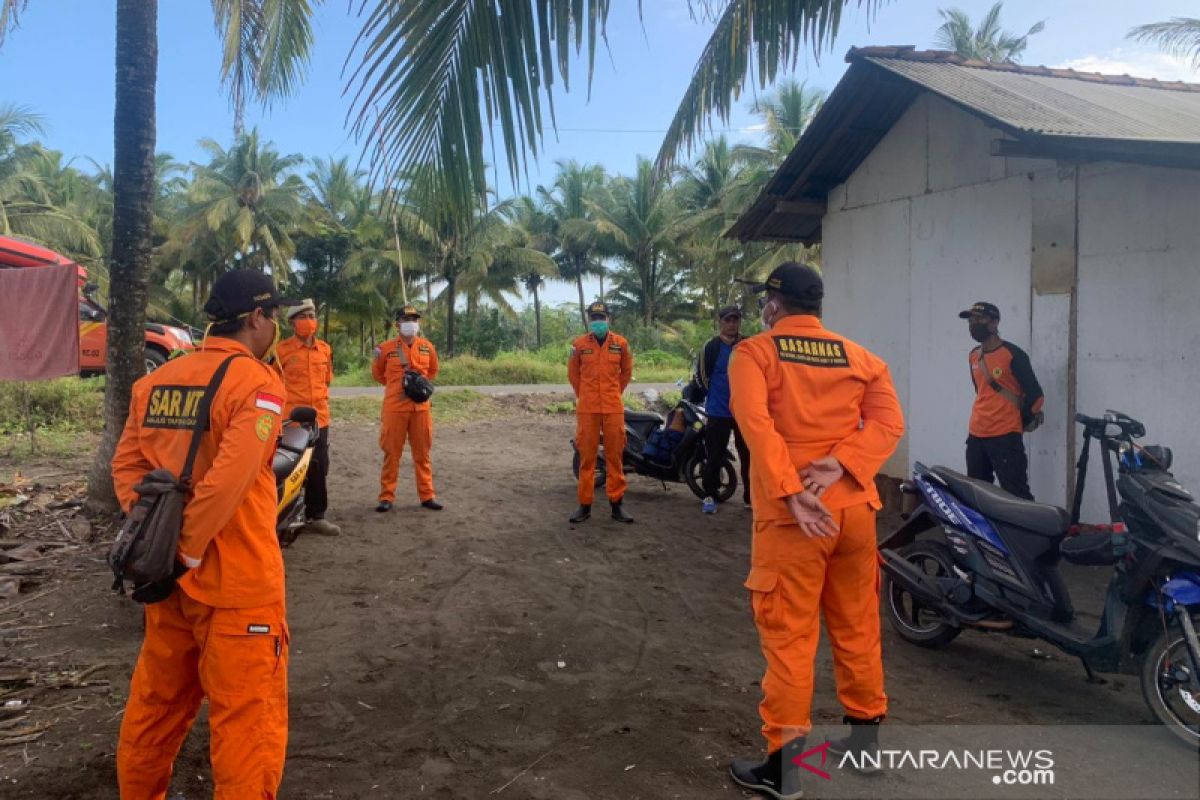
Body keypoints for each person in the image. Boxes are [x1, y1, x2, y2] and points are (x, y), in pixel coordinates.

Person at [111, 269, 296, 799]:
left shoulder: (155, 382)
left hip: (165, 587)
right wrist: (187, 550)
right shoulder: (258, 383)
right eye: (275, 316)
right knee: (246, 726)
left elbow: (127, 470)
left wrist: (157, 542)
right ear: (257, 318)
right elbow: (229, 483)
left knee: (155, 712)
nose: (278, 325)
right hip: (237, 586)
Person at [728, 263, 905, 799]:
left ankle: (784, 773)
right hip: (854, 512)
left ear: (775, 306)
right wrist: (845, 462)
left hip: (794, 519)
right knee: (857, 626)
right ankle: (864, 747)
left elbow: (756, 425)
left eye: (766, 302)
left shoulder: (754, 353)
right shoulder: (862, 358)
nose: (763, 310)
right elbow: (889, 424)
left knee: (790, 639)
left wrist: (790, 489)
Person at [960, 301, 1044, 501]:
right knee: (977, 494)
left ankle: (1025, 532)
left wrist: (1018, 424)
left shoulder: (1013, 354)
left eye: (979, 319)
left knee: (1016, 494)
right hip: (976, 435)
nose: (974, 324)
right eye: (971, 320)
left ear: (994, 322)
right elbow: (981, 391)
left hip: (1005, 437)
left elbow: (1036, 397)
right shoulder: (973, 356)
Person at [274, 298, 340, 537]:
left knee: (318, 466)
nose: (309, 321)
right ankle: (285, 513)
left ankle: (316, 516)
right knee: (289, 467)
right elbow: (271, 382)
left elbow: (328, 380)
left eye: (312, 315)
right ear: (292, 322)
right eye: (303, 317)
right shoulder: (281, 351)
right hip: (291, 420)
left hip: (320, 419)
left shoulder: (324, 349)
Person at [568, 301, 635, 524]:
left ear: (609, 319)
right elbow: (573, 375)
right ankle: (584, 506)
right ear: (589, 320)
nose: (598, 322)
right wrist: (585, 395)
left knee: (614, 457)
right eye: (594, 318)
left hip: (613, 408)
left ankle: (617, 505)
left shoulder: (621, 344)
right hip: (587, 409)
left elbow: (626, 373)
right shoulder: (578, 345)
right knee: (587, 458)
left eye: (602, 318)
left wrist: (613, 392)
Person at [373, 304, 442, 512]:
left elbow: (433, 371)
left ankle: (427, 495)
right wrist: (397, 387)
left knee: (423, 454)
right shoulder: (384, 349)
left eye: (414, 320)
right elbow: (378, 374)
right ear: (398, 324)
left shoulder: (427, 347)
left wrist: (416, 389)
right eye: (406, 320)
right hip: (395, 408)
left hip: (421, 409)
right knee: (391, 453)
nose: (411, 324)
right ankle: (386, 497)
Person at [685, 304, 751, 514]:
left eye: (735, 320)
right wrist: (713, 395)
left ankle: (750, 497)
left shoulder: (749, 344)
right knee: (714, 455)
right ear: (720, 322)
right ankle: (710, 495)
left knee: (749, 456)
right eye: (727, 320)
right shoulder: (710, 347)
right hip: (718, 411)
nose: (732, 324)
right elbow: (701, 375)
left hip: (744, 411)